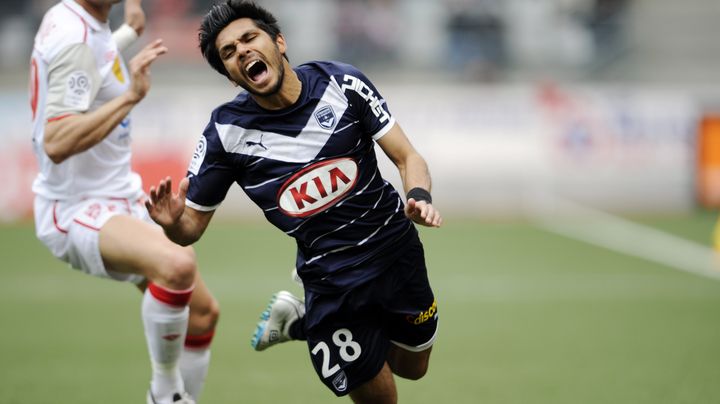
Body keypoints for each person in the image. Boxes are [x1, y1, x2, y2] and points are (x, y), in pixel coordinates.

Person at [145, 1, 441, 402]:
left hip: (397, 253)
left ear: (279, 42)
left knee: (414, 368)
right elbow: (190, 228)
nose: (242, 51)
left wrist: (418, 196)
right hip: (332, 283)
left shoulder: (342, 83)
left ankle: (302, 322)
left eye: (249, 38)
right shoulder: (226, 133)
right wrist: (171, 222)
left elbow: (408, 157)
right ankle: (320, 320)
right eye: (229, 53)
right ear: (231, 76)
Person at [29, 1, 220, 403]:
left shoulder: (87, 24)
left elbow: (103, 52)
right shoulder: (75, 38)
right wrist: (131, 96)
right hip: (76, 207)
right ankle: (165, 392)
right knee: (177, 265)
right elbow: (57, 142)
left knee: (202, 315)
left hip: (121, 197)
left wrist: (133, 24)